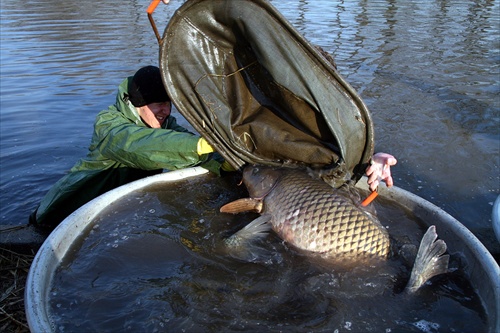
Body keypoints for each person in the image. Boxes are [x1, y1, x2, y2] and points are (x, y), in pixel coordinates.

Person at [29, 65, 225, 229]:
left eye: (169, 103)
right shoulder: (109, 125)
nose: (166, 111)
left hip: (112, 211)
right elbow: (140, 145)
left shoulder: (165, 124)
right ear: (139, 103)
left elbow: (191, 150)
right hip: (63, 215)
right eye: (159, 103)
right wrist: (201, 144)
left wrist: (223, 162)